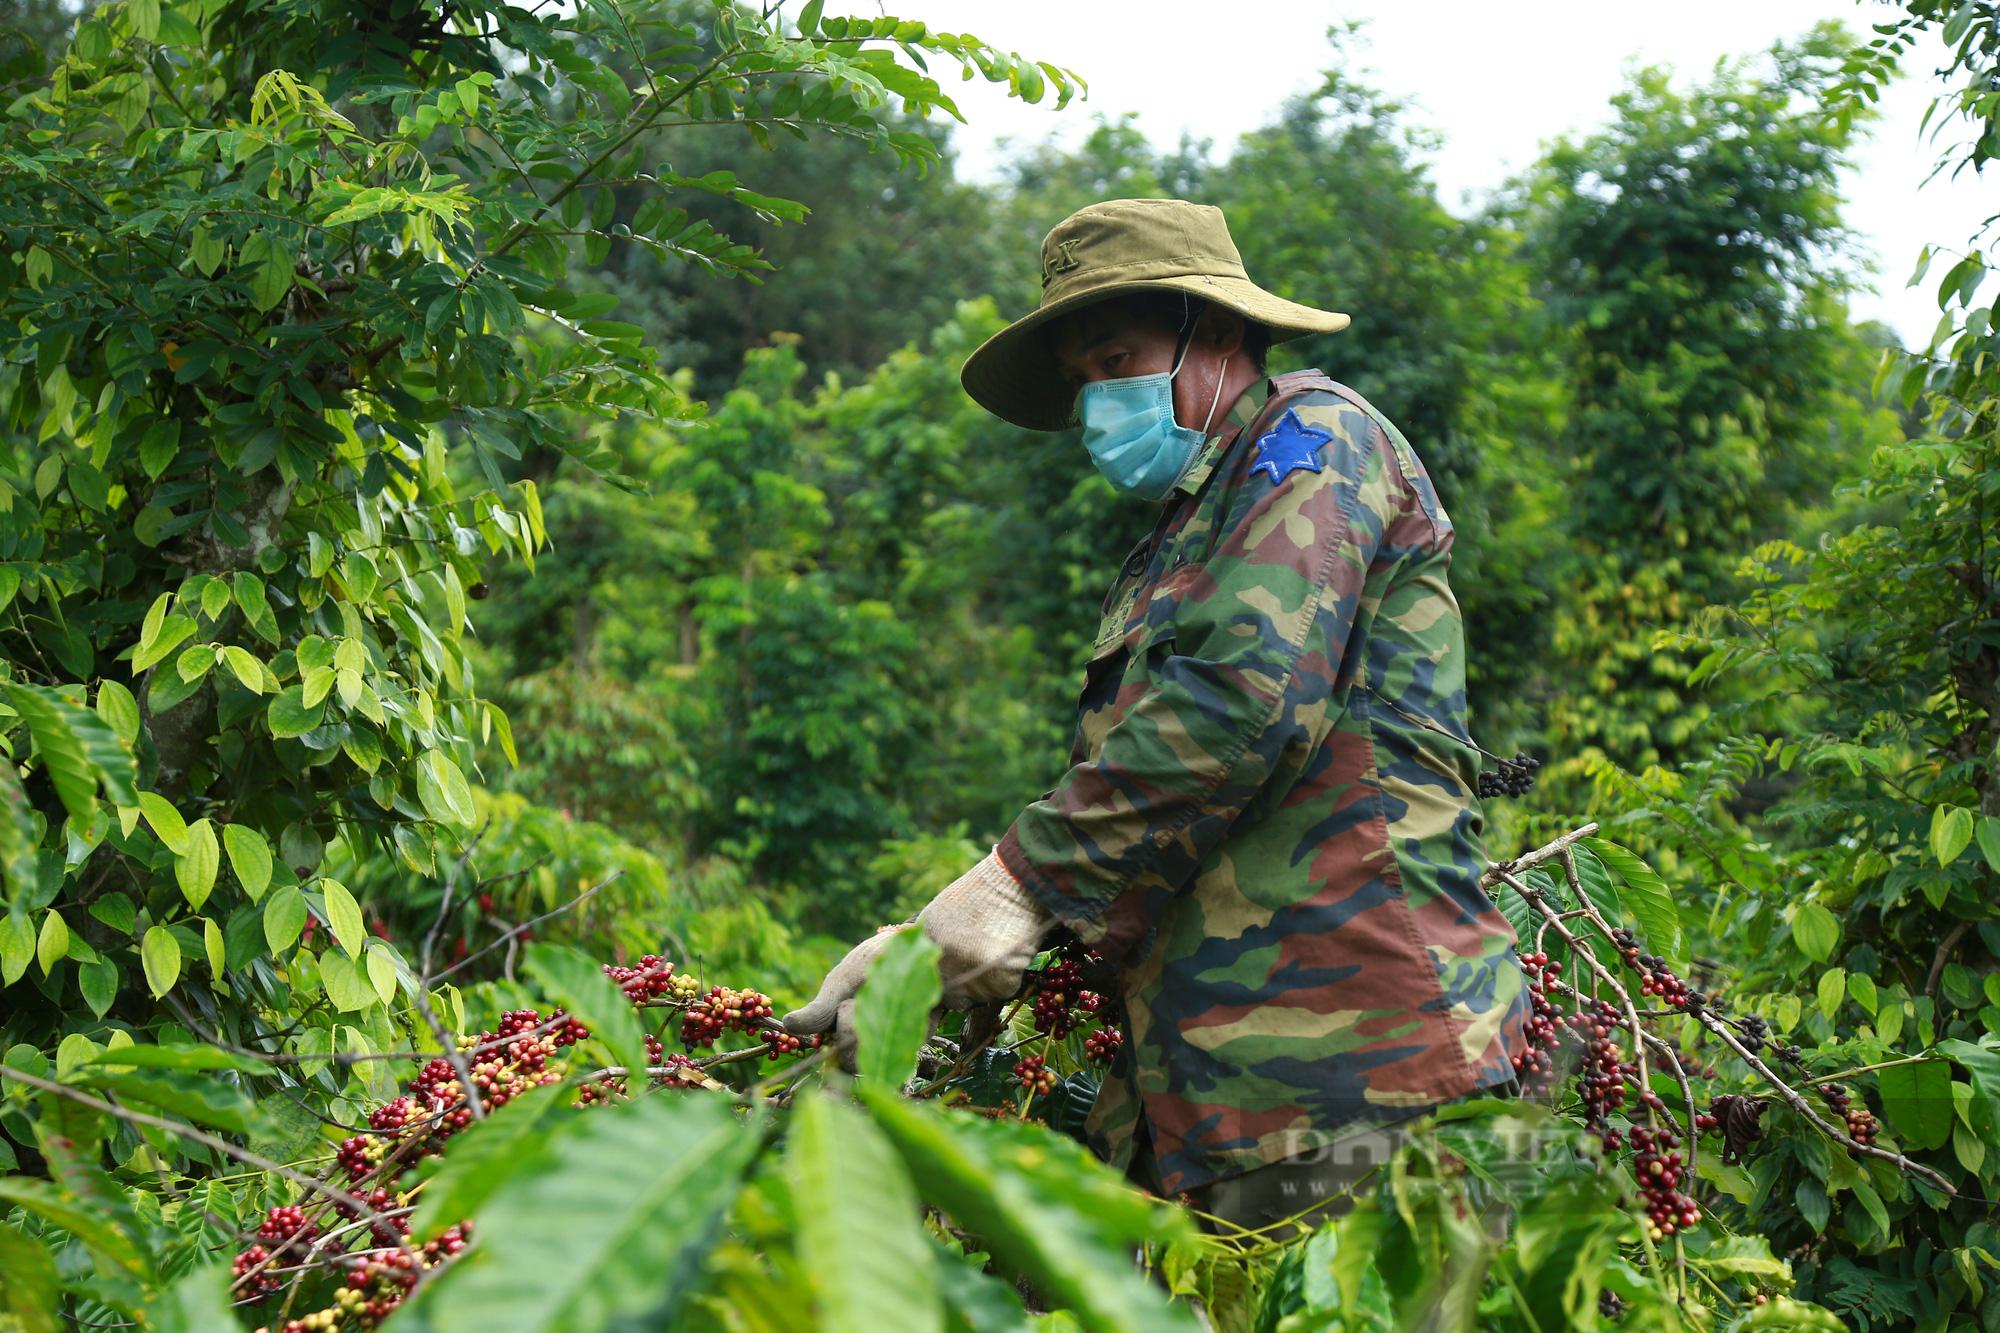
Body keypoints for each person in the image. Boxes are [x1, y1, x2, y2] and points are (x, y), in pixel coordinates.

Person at [781, 198, 1531, 1234]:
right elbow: (1154, 804)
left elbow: (1241, 701)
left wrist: (1013, 882)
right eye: (1083, 378)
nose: (1097, 398)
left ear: (1215, 330)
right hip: (1221, 1104)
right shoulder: (1183, 534)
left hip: (1354, 1077)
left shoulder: (1314, 441)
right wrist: (920, 952)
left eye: (1116, 358)